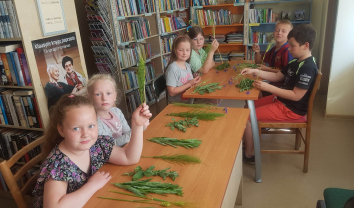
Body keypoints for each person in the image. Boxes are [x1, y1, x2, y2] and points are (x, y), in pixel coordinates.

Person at [32, 94, 151, 208]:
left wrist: (137, 125)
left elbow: (129, 157)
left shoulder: (97, 145)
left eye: (91, 126)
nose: (86, 134)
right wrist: (92, 185)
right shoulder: (57, 165)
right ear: (61, 130)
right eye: (76, 128)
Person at [241, 24, 318, 163]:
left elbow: (296, 95)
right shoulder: (296, 61)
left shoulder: (307, 67)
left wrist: (268, 88)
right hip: (281, 101)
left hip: (290, 109)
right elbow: (277, 76)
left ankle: (249, 155)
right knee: (248, 107)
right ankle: (249, 141)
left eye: (292, 45)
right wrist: (255, 71)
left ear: (305, 45)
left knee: (248, 117)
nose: (289, 48)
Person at [84, 74, 149, 147]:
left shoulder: (117, 112)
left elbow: (127, 132)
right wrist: (136, 129)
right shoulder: (93, 122)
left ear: (115, 96)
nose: (104, 98)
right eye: (98, 94)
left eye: (108, 93)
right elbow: (110, 146)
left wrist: (140, 125)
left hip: (126, 150)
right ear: (89, 97)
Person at [165, 36, 201, 103]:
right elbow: (171, 92)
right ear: (175, 51)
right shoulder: (172, 68)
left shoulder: (187, 65)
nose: (184, 53)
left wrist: (194, 77)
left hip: (189, 99)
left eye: (187, 50)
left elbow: (186, 80)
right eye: (181, 50)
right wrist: (190, 83)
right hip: (178, 104)